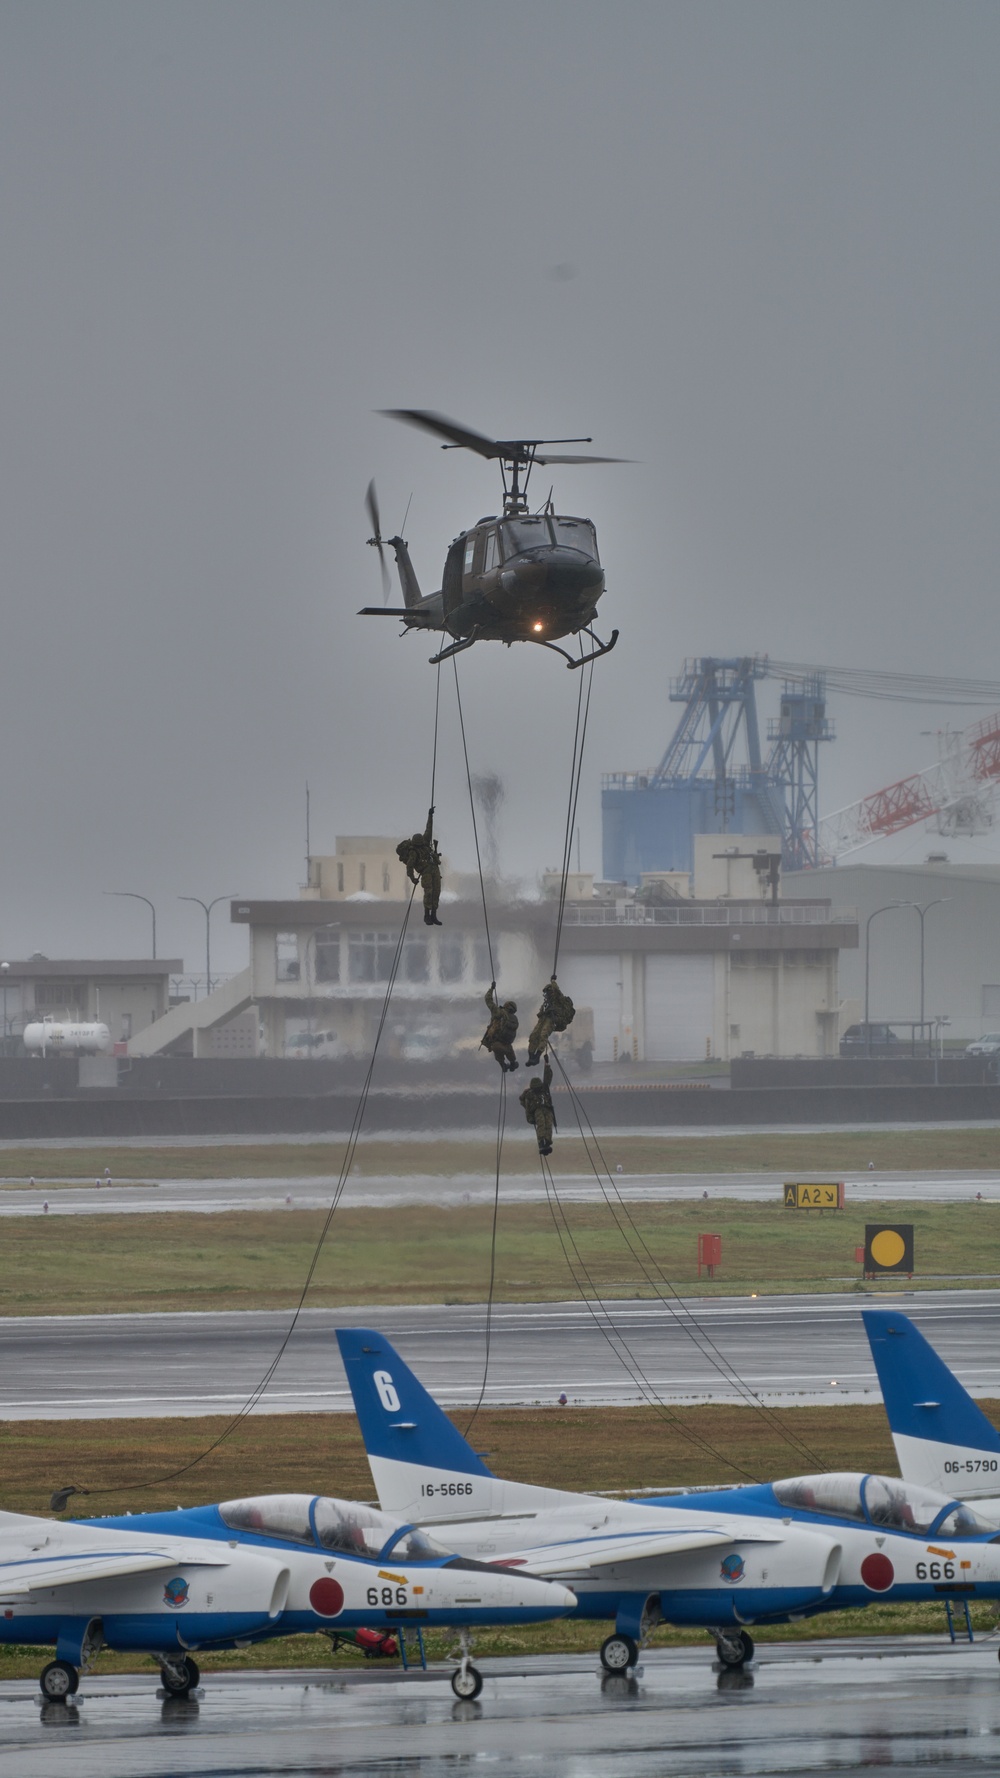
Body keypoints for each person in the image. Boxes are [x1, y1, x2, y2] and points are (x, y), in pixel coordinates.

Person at [396, 808, 442, 926]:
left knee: (436, 892)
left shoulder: (425, 842)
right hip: (426, 872)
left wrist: (430, 815)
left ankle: (434, 915)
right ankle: (427, 915)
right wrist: (412, 878)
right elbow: (410, 866)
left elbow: (428, 829)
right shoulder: (413, 852)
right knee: (429, 893)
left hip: (435, 870)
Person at [526, 976, 575, 1066]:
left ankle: (537, 1056)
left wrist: (553, 981)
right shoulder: (546, 1003)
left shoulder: (559, 1000)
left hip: (552, 1020)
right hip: (543, 1019)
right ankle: (531, 1056)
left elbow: (557, 990)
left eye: (547, 992)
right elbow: (540, 1013)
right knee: (533, 1036)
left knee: (543, 1035)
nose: (546, 995)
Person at [520, 1059, 555, 1156]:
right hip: (538, 1110)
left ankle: (547, 1141)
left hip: (547, 1109)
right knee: (541, 1125)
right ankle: (541, 1142)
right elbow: (524, 1103)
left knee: (548, 1124)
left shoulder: (544, 1088)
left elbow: (548, 1077)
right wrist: (530, 1116)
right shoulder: (529, 1094)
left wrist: (547, 1065)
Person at [481, 982, 518, 1072]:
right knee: (510, 1055)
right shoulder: (514, 1018)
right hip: (508, 1045)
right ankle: (512, 1063)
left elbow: (488, 1000)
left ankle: (503, 1065)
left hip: (497, 1044)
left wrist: (492, 988)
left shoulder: (499, 1012)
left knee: (496, 1048)